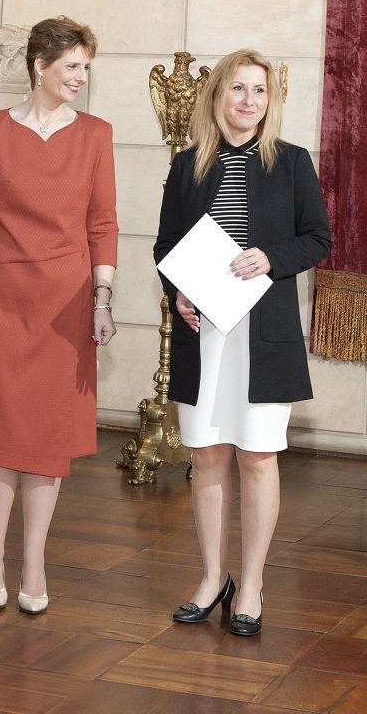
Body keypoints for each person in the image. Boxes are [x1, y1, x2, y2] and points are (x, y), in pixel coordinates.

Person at [154, 48, 331, 636]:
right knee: (207, 454)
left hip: (264, 335)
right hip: (203, 333)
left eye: (259, 90)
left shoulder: (292, 162)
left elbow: (318, 239)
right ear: (218, 95)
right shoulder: (188, 165)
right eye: (237, 88)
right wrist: (178, 291)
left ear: (270, 100)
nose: (248, 100)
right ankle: (212, 579)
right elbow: (166, 246)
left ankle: (251, 584)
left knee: (257, 457)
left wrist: (271, 257)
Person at [0, 16, 118, 614]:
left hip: (65, 308)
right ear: (39, 65)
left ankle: (35, 561)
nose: (80, 77)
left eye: (86, 67)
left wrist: (102, 300)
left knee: (47, 438)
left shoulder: (95, 135)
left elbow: (103, 224)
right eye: (71, 66)